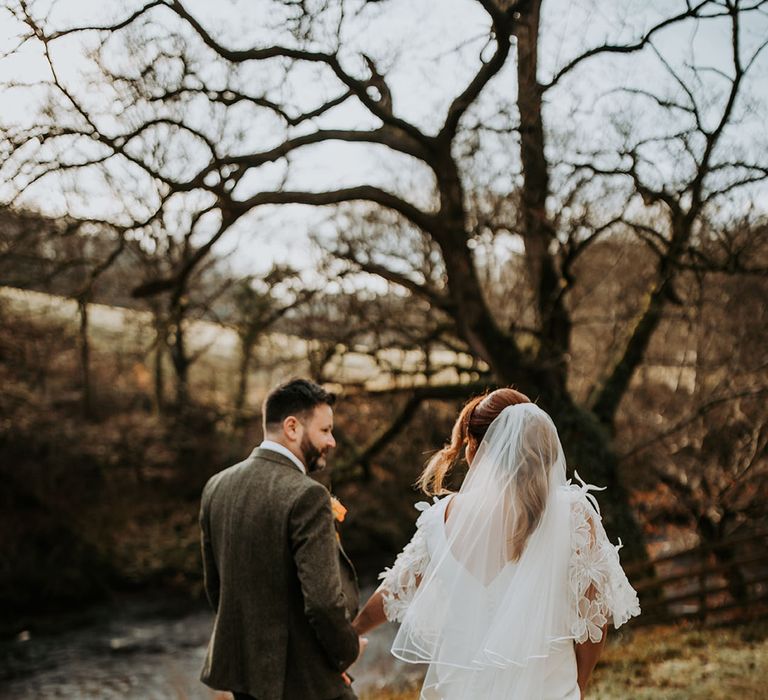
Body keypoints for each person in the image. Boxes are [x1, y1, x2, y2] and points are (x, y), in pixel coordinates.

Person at [353, 388, 641, 699]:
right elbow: (592, 623)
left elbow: (393, 592)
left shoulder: (440, 521)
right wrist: (578, 686)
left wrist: (346, 637)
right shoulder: (573, 516)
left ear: (474, 448)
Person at [199, 378, 365, 700]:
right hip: (308, 683)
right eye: (325, 430)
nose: (331, 442)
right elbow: (323, 602)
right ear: (292, 427)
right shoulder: (307, 495)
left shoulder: (216, 486)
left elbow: (217, 589)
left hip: (246, 680)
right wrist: (347, 652)